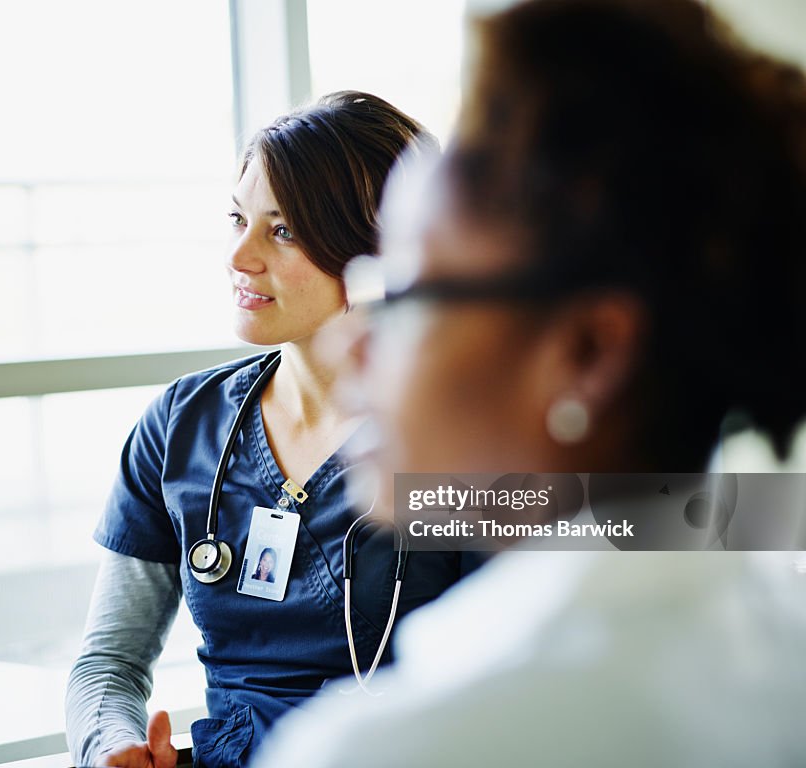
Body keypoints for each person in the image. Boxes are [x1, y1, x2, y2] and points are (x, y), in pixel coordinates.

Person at [252, 1, 806, 766]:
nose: (353, 344)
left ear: (587, 353)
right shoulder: (776, 649)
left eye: (403, 297)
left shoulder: (403, 746)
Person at [64, 91, 486, 768]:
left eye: (281, 230)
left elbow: (511, 679)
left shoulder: (465, 438)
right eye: (238, 219)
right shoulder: (181, 427)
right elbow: (108, 661)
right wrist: (111, 744)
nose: (239, 256)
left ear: (381, 251)